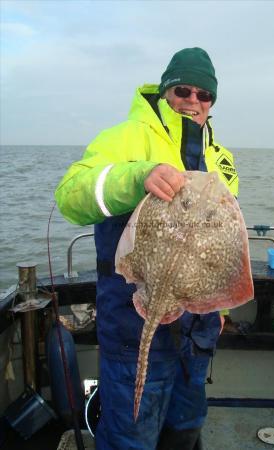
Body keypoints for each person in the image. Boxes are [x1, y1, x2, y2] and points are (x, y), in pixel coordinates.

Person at [55, 47, 239, 450]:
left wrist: (220, 305)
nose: (193, 101)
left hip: (197, 326)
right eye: (183, 90)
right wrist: (137, 178)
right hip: (132, 311)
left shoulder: (220, 158)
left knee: (187, 422)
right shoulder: (125, 138)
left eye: (204, 95)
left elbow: (222, 244)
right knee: (131, 431)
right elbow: (70, 197)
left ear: (212, 102)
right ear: (164, 90)